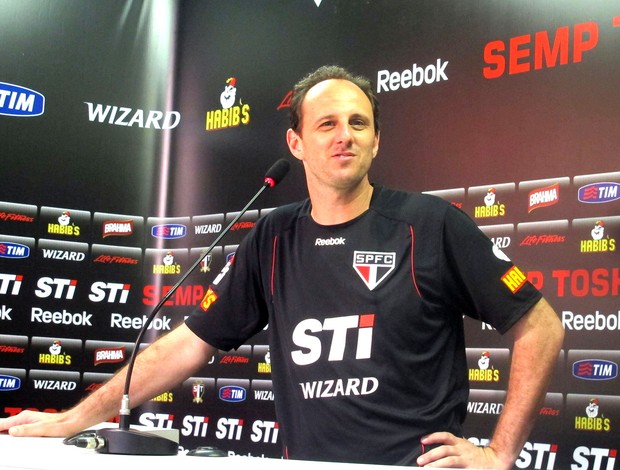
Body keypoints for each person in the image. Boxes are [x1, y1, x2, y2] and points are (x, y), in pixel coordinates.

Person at [0, 65, 564, 469]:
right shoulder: (272, 235)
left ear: (376, 141)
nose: (345, 135)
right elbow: (190, 344)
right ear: (295, 142)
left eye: (358, 123)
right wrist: (77, 418)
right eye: (327, 124)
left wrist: (500, 454)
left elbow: (538, 323)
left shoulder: (430, 224)